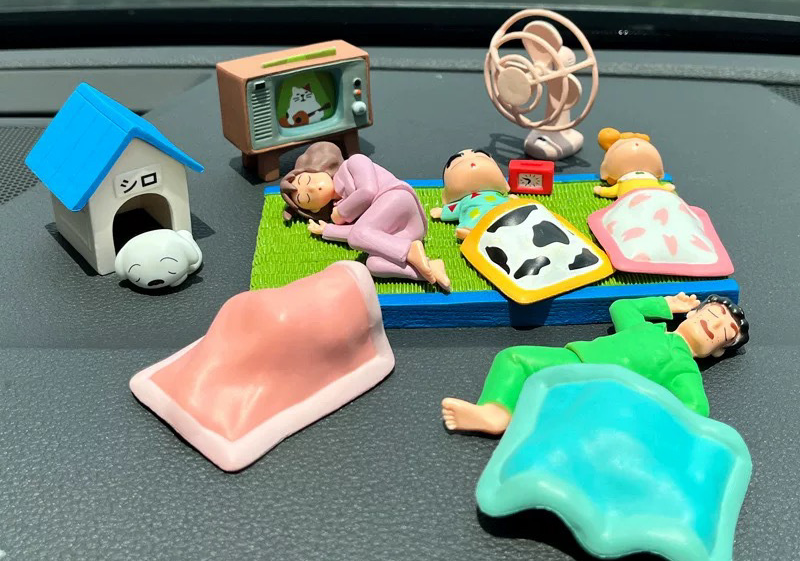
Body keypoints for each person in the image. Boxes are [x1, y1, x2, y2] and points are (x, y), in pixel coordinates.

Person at [442, 292, 749, 434]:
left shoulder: (684, 368)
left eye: (723, 332)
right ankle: (495, 413)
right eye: (713, 314)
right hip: (577, 358)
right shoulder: (646, 329)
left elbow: (696, 408)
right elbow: (622, 307)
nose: (713, 324)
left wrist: (642, 406)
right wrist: (664, 304)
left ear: (717, 352)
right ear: (693, 313)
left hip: (604, 394)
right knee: (513, 357)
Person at [280, 142, 450, 289]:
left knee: (357, 236)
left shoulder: (353, 163)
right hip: (404, 234)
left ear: (315, 170)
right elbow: (362, 233)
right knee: (373, 264)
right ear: (315, 209)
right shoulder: (339, 206)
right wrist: (327, 229)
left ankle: (409, 251)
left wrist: (341, 213)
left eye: (307, 180)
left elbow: (368, 191)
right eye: (306, 198)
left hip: (398, 199)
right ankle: (429, 268)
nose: (311, 188)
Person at [429, 149, 511, 240]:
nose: (472, 163)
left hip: (502, 213)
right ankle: (469, 231)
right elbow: (454, 209)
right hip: (476, 219)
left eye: (480, 156)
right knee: (473, 220)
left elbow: (511, 203)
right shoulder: (464, 202)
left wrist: (511, 199)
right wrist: (442, 212)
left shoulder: (499, 196)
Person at [592, 128, 676, 199]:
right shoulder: (625, 182)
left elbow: (612, 190)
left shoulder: (623, 183)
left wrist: (601, 190)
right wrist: (666, 188)